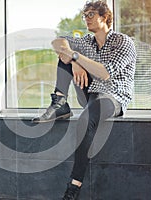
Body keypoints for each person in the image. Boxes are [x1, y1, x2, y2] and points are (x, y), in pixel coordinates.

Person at [32, 1, 137, 199]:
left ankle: (75, 184)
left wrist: (75, 56)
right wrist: (73, 59)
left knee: (85, 119)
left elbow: (105, 74)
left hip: (112, 97)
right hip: (89, 92)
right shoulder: (86, 41)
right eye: (84, 15)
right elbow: (57, 42)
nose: (86, 19)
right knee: (64, 55)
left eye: (90, 14)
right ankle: (59, 102)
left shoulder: (123, 42)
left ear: (104, 17)